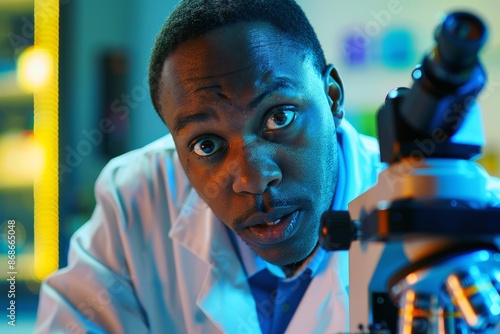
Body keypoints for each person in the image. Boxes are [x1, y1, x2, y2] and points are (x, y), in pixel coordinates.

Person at [35, 0, 500, 333]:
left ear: (332, 97)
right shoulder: (137, 197)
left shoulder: (446, 216)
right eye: (206, 144)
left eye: (279, 117)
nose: (255, 178)